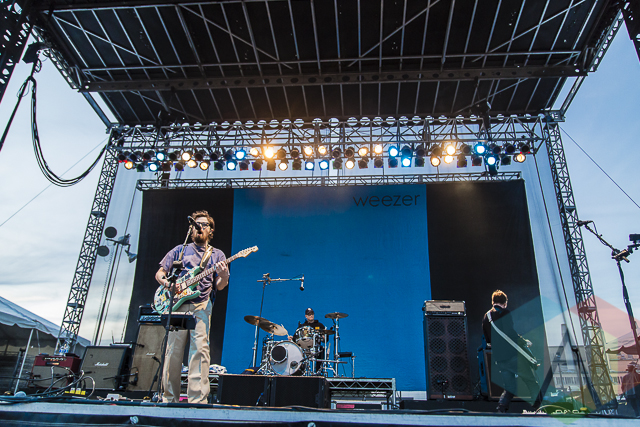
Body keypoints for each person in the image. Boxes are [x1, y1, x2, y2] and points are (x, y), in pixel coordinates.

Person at [155, 210, 229, 404]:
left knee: (199, 350)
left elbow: (219, 285)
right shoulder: (179, 250)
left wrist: (224, 276)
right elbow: (160, 273)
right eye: (197, 224)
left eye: (205, 225)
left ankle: (197, 400)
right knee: (173, 350)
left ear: (210, 230)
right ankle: (169, 398)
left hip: (201, 304)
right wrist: (168, 284)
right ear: (192, 228)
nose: (200, 227)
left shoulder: (217, 254)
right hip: (177, 304)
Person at [482, 290, 542, 413]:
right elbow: (509, 332)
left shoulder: (486, 317)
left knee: (509, 387)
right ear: (505, 303)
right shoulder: (505, 312)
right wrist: (524, 341)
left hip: (499, 358)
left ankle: (501, 409)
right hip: (513, 356)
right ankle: (539, 408)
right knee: (531, 381)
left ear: (493, 302)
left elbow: (488, 341)